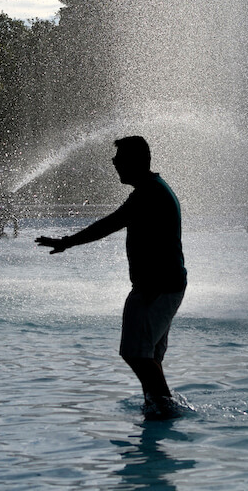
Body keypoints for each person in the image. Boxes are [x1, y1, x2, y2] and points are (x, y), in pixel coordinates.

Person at [35, 136, 187, 416]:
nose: (115, 163)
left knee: (136, 353)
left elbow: (110, 224)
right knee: (148, 354)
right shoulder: (150, 189)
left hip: (156, 287)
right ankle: (156, 408)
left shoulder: (149, 193)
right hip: (162, 285)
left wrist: (67, 241)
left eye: (119, 159)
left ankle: (167, 409)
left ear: (136, 161)